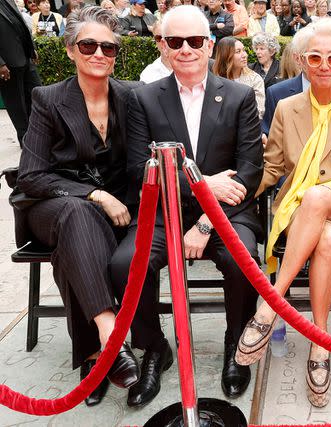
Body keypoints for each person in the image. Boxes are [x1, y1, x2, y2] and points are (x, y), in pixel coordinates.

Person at [110, 4, 263, 406]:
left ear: (209, 45)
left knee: (242, 259)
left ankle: (236, 343)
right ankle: (154, 348)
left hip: (226, 214)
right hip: (162, 212)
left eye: (194, 41)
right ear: (162, 45)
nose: (185, 49)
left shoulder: (240, 96)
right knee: (126, 263)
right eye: (174, 41)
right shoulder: (143, 98)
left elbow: (250, 171)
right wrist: (204, 184)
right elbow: (138, 168)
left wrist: (205, 224)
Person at [235, 18, 331, 409]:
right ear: (302, 61)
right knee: (325, 237)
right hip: (300, 208)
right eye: (316, 57)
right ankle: (319, 345)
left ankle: (271, 304)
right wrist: (237, 189)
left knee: (317, 198)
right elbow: (273, 168)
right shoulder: (287, 107)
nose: (325, 65)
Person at [16, 6, 142, 408]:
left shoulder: (130, 96)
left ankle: (96, 357)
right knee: (77, 214)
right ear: (71, 50)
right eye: (89, 44)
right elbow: (31, 176)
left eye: (109, 47)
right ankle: (111, 331)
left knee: (77, 242)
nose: (99, 53)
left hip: (118, 210)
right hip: (52, 206)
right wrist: (95, 195)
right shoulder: (48, 99)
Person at [262, 25, 331, 136]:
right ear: (299, 59)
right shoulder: (277, 93)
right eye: (315, 58)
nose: (324, 66)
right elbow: (268, 137)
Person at [0, 0, 41, 146]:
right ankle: (26, 140)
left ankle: (41, 134)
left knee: (37, 95)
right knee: (16, 104)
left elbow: (21, 25)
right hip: (7, 64)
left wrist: (32, 48)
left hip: (25, 57)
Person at [214, 37, 266, 118]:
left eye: (244, 50)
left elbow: (258, 112)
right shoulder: (213, 80)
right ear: (226, 55)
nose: (245, 55)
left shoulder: (254, 79)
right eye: (238, 52)